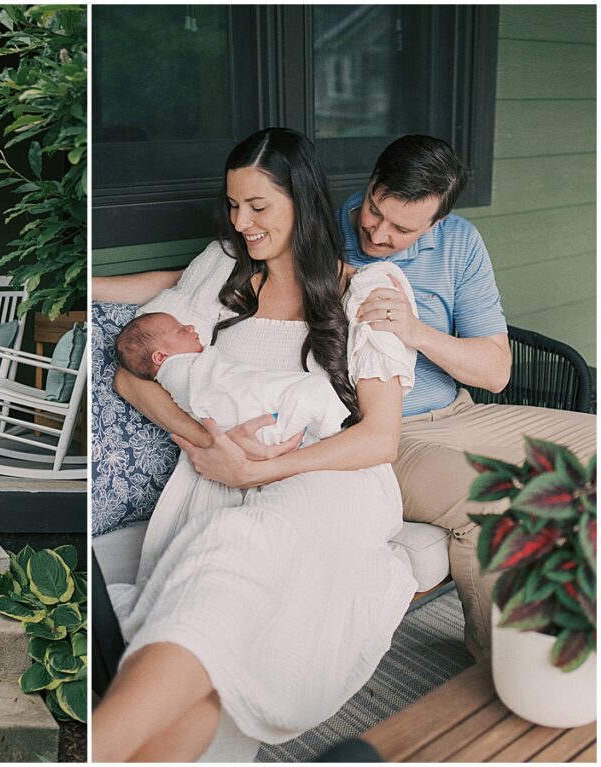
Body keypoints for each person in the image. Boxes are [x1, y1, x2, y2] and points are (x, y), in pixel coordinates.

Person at [180, 135, 596, 660]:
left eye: (402, 229)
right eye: (375, 210)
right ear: (372, 182)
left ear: (436, 224)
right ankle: (499, 660)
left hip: (462, 411)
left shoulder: (460, 244)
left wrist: (417, 332)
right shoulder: (319, 232)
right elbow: (226, 279)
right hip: (387, 433)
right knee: (498, 498)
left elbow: (495, 372)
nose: (377, 232)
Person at [92, 127, 420, 761]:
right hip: (215, 467)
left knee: (234, 546)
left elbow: (379, 438)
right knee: (218, 627)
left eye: (259, 207)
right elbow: (129, 377)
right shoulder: (220, 269)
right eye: (233, 205)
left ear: (302, 200)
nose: (242, 222)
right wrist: (206, 444)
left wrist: (264, 469)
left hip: (330, 479)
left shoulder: (369, 291)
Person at [115, 311, 350, 447]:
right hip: (243, 422)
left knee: (306, 394)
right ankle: (334, 435)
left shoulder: (186, 366)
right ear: (160, 357)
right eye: (179, 330)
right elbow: (214, 393)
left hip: (253, 421)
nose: (189, 326)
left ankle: (328, 435)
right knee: (312, 389)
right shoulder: (177, 372)